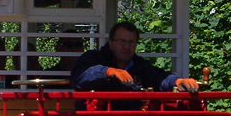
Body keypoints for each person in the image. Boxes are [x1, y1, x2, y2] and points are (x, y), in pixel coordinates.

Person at [70, 22, 201, 93]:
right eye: (122, 41)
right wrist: (108, 72)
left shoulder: (139, 65)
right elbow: (80, 76)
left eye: (131, 42)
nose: (127, 46)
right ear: (110, 42)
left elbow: (158, 77)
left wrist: (178, 81)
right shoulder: (93, 58)